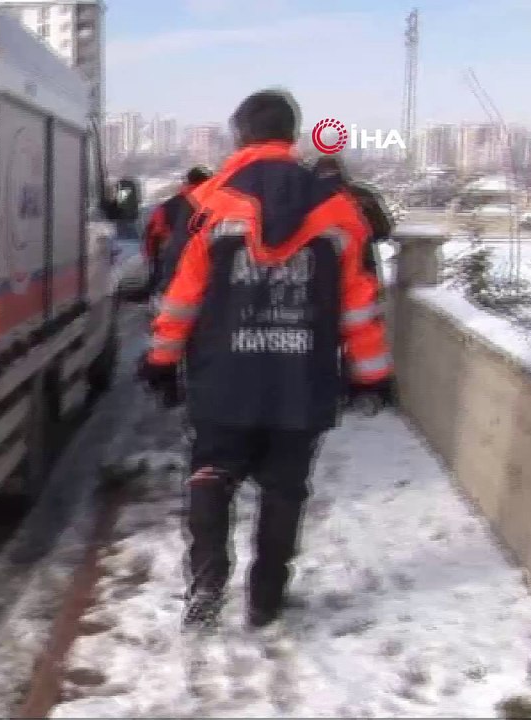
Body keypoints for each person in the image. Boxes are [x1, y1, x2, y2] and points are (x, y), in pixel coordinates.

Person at [136, 89, 395, 630]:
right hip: (302, 383)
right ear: (292, 135)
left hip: (223, 381)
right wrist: (372, 376)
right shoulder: (338, 209)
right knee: (284, 492)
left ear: (241, 135)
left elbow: (182, 297)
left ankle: (207, 581)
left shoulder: (211, 202)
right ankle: (266, 600)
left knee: (210, 476)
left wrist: (161, 361)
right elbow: (359, 307)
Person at [142, 165, 213, 300]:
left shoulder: (167, 206)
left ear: (187, 182)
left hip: (175, 271)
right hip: (211, 271)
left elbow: (152, 237)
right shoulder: (223, 204)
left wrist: (152, 264)